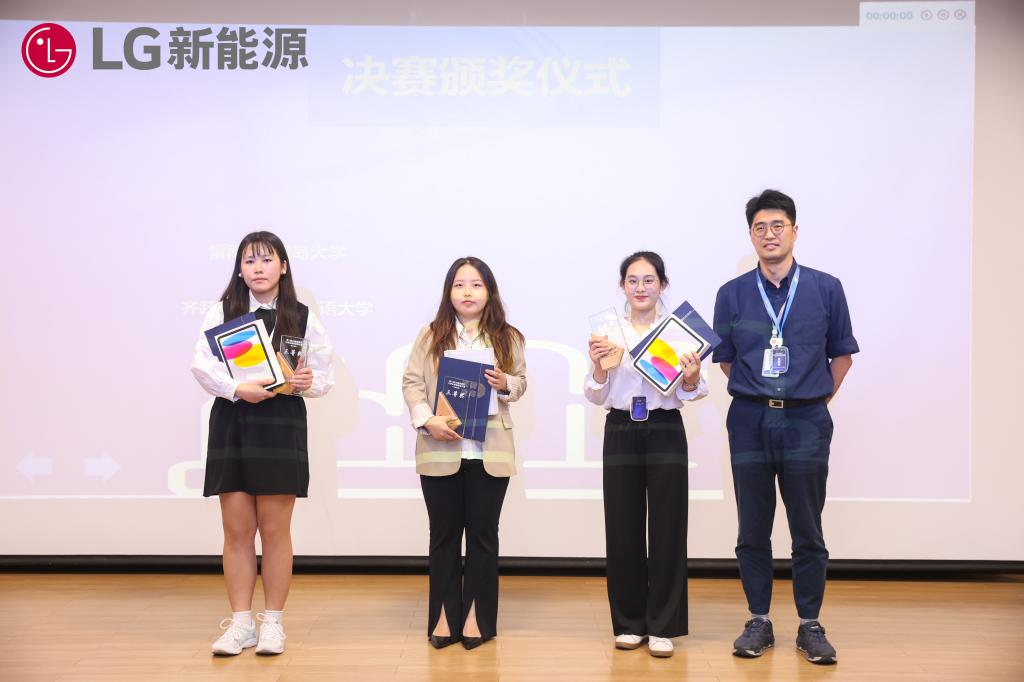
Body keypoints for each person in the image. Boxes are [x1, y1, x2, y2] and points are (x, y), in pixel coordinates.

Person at [712, 190, 858, 665]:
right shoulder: (731, 293)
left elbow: (842, 354)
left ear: (795, 231)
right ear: (750, 235)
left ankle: (810, 624)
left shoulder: (826, 287)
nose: (769, 234)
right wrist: (763, 393)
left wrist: (810, 397)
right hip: (750, 419)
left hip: (806, 420)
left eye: (778, 225)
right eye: (760, 227)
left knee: (807, 527)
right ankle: (758, 620)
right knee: (752, 526)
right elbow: (727, 360)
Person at [191, 231, 335, 656]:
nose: (258, 268)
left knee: (274, 531)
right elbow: (200, 366)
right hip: (233, 422)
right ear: (239, 269)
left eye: (267, 260)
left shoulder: (302, 317)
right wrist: (237, 389)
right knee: (236, 530)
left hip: (280, 425)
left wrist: (307, 381)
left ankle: (272, 624)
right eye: (249, 261)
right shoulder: (223, 312)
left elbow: (323, 376)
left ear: (283, 267)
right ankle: (241, 625)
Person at [585, 251, 708, 658]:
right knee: (622, 526)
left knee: (669, 527)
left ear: (662, 285)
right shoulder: (607, 330)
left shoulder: (679, 332)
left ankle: (663, 625)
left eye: (649, 280)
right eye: (633, 281)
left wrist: (691, 377)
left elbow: (695, 390)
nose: (641, 288)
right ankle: (629, 623)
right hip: (621, 428)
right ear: (622, 286)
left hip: (665, 429)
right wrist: (599, 368)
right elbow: (595, 393)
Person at [402, 256, 527, 650]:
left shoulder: (508, 337)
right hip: (440, 447)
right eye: (459, 284)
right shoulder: (431, 335)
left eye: (476, 284)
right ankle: (443, 617)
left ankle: (476, 619)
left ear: (489, 291)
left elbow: (521, 384)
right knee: (443, 536)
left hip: (490, 451)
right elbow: (411, 383)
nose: (467, 292)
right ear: (449, 292)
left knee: (483, 537)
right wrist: (427, 420)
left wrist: (505, 382)